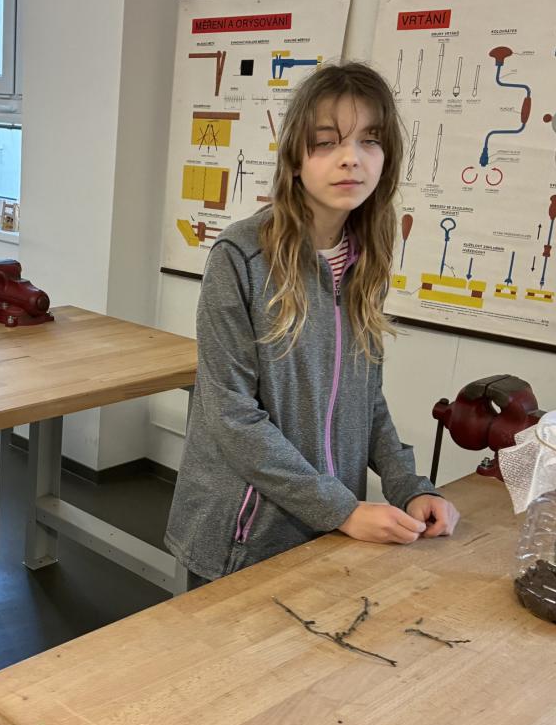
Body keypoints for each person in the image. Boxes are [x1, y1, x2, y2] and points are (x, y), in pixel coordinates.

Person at [164, 61, 459, 590]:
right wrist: (342, 509)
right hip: (241, 536)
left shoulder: (364, 259)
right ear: (295, 158)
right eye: (327, 142)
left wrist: (409, 486)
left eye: (370, 140)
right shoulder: (240, 256)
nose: (351, 158)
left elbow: (366, 401)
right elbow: (231, 415)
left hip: (326, 528)